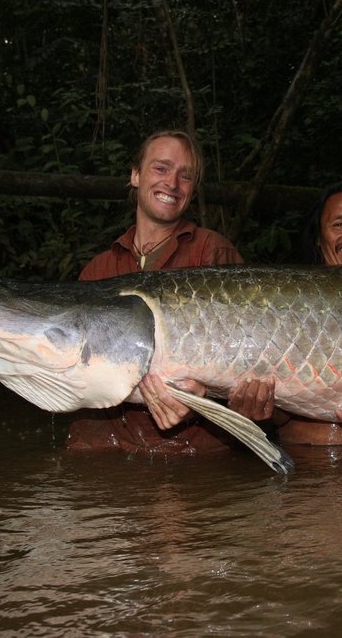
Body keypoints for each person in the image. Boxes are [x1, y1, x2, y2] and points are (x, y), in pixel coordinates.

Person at [143, 182, 342, 446]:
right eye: (339, 224)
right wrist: (258, 410)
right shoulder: (280, 308)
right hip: (302, 476)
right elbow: (283, 412)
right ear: (319, 239)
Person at [66, 129, 247, 454]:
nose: (172, 184)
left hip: (194, 457)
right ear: (135, 175)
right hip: (103, 453)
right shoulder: (99, 270)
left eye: (186, 176)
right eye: (161, 169)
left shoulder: (212, 254)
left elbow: (247, 356)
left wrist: (201, 394)